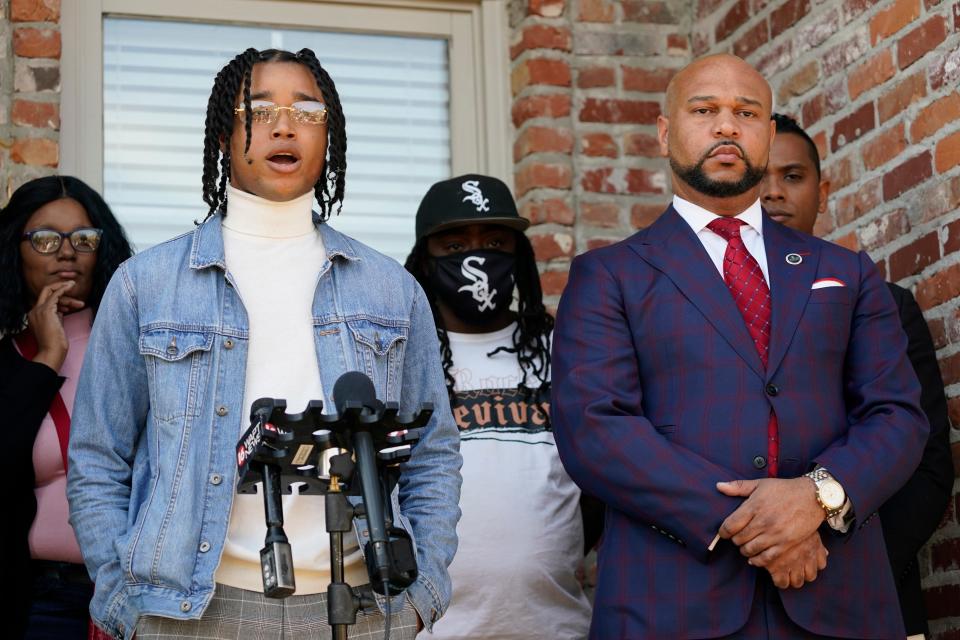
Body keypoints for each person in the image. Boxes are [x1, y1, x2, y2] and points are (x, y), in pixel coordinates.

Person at [66, 47, 462, 640]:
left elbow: (432, 451)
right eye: (258, 108)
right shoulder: (145, 285)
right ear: (224, 134)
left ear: (329, 137)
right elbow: (98, 456)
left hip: (360, 607)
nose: (283, 125)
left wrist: (423, 590)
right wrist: (124, 600)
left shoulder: (391, 289)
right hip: (188, 613)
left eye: (306, 111)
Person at [551, 53, 928, 639]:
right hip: (671, 604)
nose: (727, 126)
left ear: (768, 134)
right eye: (705, 110)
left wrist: (817, 498)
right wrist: (756, 523)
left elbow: (897, 414)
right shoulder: (609, 276)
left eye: (746, 112)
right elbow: (596, 429)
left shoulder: (845, 271)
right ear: (664, 131)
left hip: (838, 598)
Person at [761, 113, 955, 639]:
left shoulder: (887, 306)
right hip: (746, 602)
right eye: (759, 178)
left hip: (875, 597)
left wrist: (840, 565)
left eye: (792, 177)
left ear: (823, 191)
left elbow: (928, 470)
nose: (773, 194)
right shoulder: (704, 312)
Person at [403, 174, 601, 640]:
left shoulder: (564, 349)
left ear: (519, 257)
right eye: (454, 246)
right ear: (425, 262)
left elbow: (597, 484)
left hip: (555, 624)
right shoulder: (405, 358)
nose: (476, 255)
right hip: (430, 629)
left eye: (494, 242)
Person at [0, 175, 134, 639]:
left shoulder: (143, 350)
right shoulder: (7, 362)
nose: (65, 252)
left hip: (136, 595)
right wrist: (47, 358)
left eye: (83, 238)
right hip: (38, 601)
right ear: (14, 251)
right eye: (44, 239)